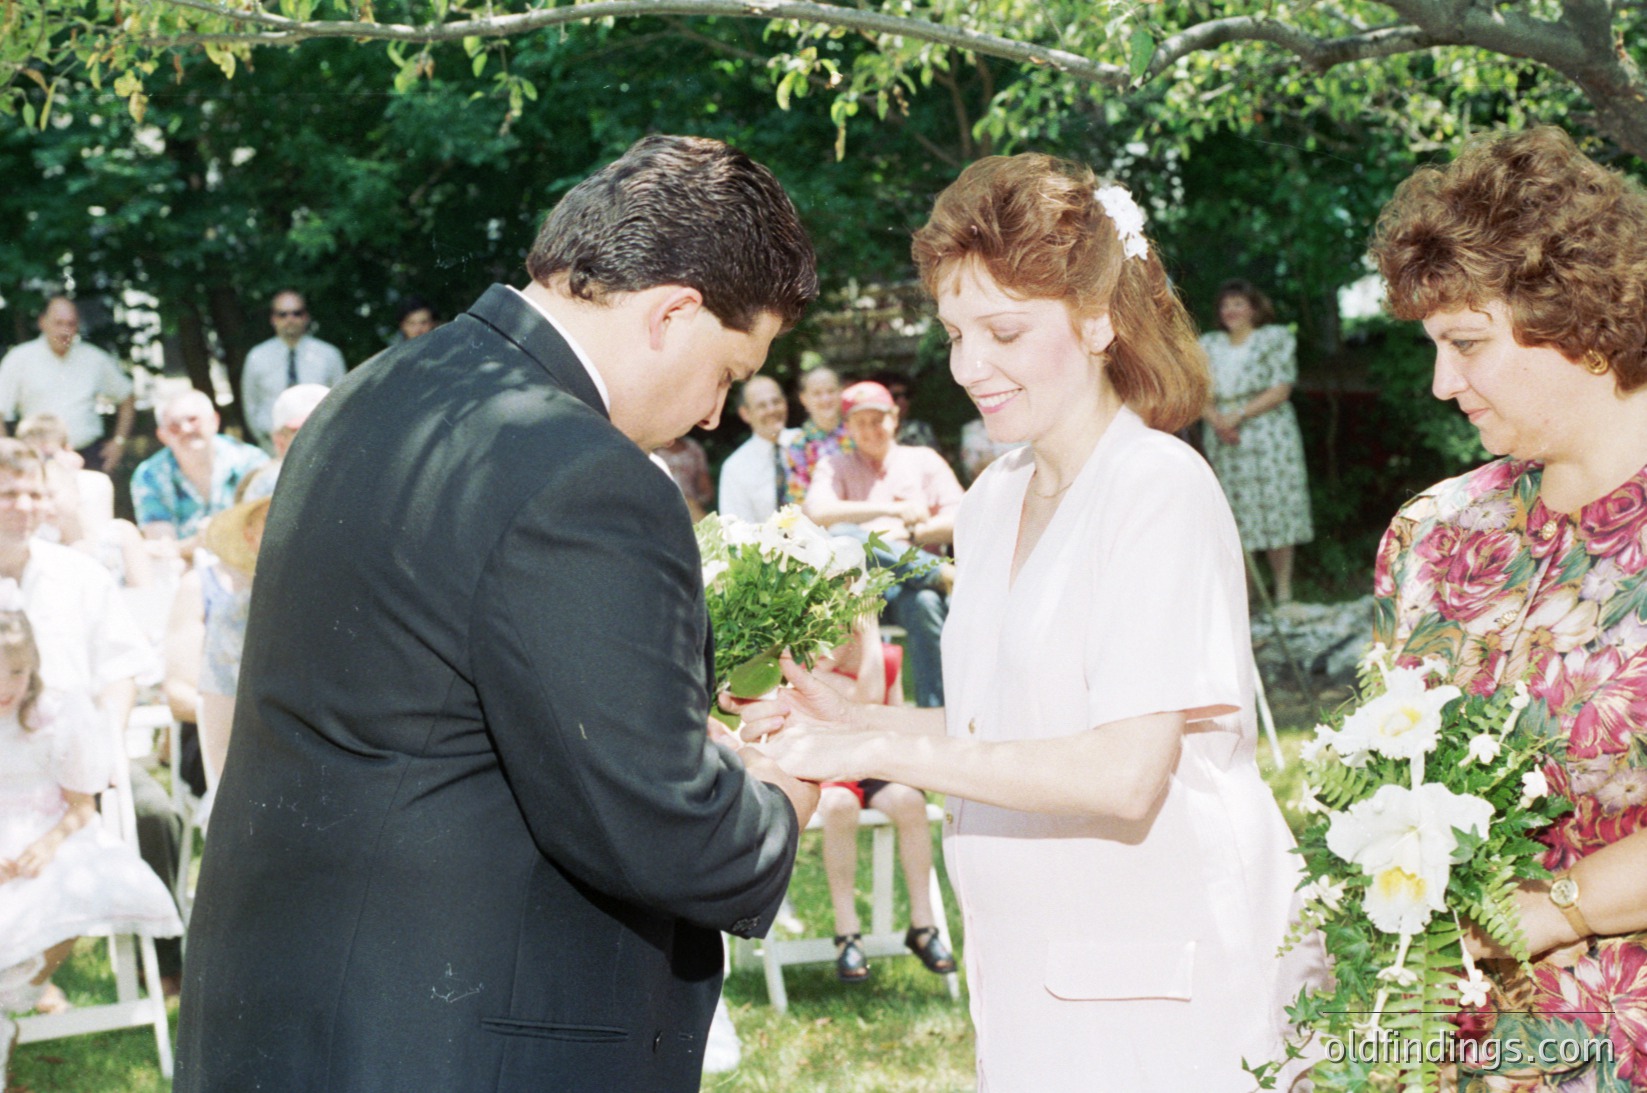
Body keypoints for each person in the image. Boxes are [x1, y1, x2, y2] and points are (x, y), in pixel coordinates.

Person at [176, 134, 822, 1093]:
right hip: (460, 1042)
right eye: (728, 367)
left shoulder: (368, 396)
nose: (714, 412)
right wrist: (779, 797)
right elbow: (652, 819)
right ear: (672, 312)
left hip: (288, 1013)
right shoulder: (584, 475)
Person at [740, 154, 1321, 1091]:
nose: (969, 366)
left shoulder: (1156, 489)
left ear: (1099, 321)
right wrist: (850, 727)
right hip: (1026, 985)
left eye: (1003, 331)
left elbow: (1121, 771)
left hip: (1163, 989)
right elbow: (1001, 725)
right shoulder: (993, 498)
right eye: (955, 332)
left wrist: (889, 755)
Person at [1366, 125, 1647, 1092]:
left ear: (1575, 313)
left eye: (1466, 343)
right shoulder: (1434, 536)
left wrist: (1555, 907)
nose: (1442, 383)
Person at [0, 600, 181, 1081]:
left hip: (54, 833)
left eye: (16, 671)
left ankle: (9, 1005)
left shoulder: (53, 714)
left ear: (33, 662)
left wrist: (48, 842)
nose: (5, 686)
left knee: (65, 890)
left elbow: (83, 806)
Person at [811, 617, 954, 983]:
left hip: (873, 766)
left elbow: (892, 719)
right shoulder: (812, 666)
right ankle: (847, 931)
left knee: (910, 802)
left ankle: (923, 925)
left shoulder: (886, 658)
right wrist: (870, 641)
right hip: (831, 768)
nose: (841, 641)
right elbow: (866, 700)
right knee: (840, 808)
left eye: (851, 630)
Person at [804, 379, 961, 709]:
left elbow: (962, 519)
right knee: (848, 538)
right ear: (847, 428)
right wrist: (891, 512)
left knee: (926, 604)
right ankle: (936, 572)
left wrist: (911, 535)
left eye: (878, 420)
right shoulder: (835, 465)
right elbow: (816, 512)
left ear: (894, 418)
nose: (871, 430)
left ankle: (938, 713)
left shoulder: (924, 460)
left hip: (907, 587)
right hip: (858, 592)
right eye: (860, 423)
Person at [1198, 280, 1313, 606]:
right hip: (1224, 437)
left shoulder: (1274, 338)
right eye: (1225, 305)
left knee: (1277, 508)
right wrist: (1218, 421)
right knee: (1237, 515)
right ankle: (1245, 597)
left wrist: (1239, 415)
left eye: (1238, 303)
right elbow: (1198, 391)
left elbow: (1281, 388)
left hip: (1268, 433)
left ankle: (1283, 591)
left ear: (1253, 307)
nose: (1230, 310)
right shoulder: (1207, 344)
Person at [0, 297, 135, 473]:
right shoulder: (19, 359)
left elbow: (127, 397)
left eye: (70, 324)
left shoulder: (94, 359)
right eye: (58, 323)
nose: (64, 330)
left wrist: (119, 442)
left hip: (89, 456)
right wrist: (6, 456)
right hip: (37, 460)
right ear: (43, 322)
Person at [129, 388, 269, 554]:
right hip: (188, 566)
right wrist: (198, 542)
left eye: (193, 420)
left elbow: (269, 529)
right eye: (174, 426)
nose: (186, 429)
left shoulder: (251, 462)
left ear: (215, 421)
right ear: (162, 436)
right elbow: (163, 547)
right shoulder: (149, 475)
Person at [239, 289, 346, 451]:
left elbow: (343, 400)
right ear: (273, 319)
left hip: (322, 446)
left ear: (306, 317)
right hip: (273, 447)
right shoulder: (256, 357)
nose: (290, 319)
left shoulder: (329, 355)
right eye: (282, 314)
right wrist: (268, 439)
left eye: (296, 313)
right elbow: (251, 406)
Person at [717, 375, 796, 524]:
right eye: (762, 405)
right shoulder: (735, 467)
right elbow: (737, 530)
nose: (771, 410)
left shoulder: (809, 444)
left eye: (776, 401)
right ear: (745, 413)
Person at [783, 364, 852, 503]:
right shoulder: (799, 445)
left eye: (831, 391)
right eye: (817, 393)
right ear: (804, 399)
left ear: (841, 392)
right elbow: (798, 499)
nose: (825, 399)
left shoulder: (857, 432)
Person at [655, 435, 714, 521]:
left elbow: (707, 490)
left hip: (694, 508)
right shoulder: (652, 452)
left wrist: (693, 504)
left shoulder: (692, 446)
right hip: (663, 510)